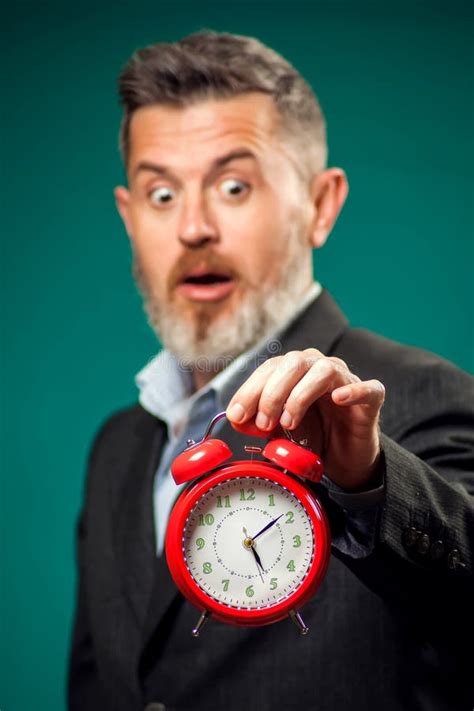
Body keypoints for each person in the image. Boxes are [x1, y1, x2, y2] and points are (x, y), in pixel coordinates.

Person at [68, 30, 474, 711]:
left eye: (233, 185)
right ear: (129, 215)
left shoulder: (418, 397)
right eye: (161, 194)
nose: (193, 226)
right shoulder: (118, 448)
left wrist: (369, 481)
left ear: (321, 205)